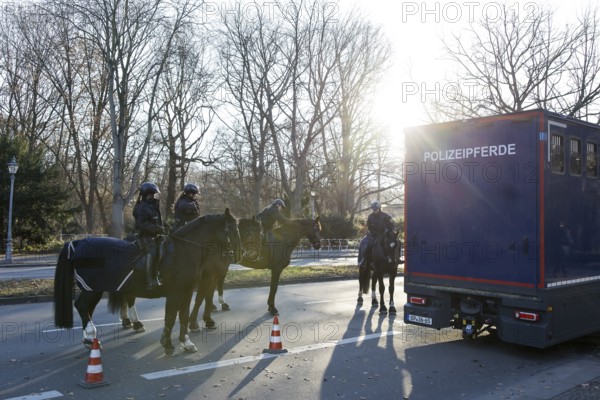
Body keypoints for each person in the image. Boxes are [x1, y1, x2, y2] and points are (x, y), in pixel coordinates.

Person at [133, 182, 165, 290]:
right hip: (145, 236)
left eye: (153, 194)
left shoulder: (154, 205)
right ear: (145, 195)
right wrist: (156, 229)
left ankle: (161, 275)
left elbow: (159, 220)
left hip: (156, 234)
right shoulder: (142, 207)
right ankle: (149, 280)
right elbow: (142, 223)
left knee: (166, 247)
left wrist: (165, 227)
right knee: (153, 250)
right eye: (151, 194)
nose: (153, 196)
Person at [359, 201, 394, 270]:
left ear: (379, 208)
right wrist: (374, 233)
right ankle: (364, 259)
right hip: (374, 234)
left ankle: (392, 258)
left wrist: (389, 231)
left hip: (385, 234)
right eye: (373, 209)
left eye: (375, 209)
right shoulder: (370, 216)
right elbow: (369, 227)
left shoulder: (386, 216)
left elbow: (392, 225)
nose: (374, 211)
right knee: (369, 244)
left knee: (392, 243)